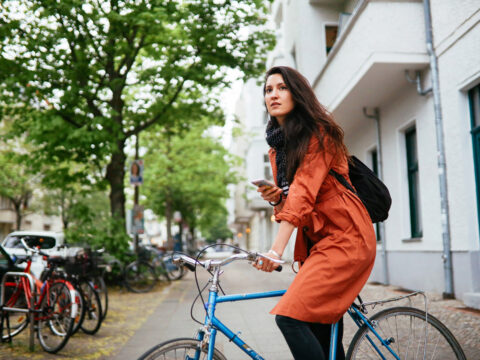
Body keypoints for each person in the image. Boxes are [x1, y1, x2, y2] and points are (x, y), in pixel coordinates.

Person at [253, 66, 376, 360]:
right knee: (321, 335)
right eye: (268, 90)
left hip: (347, 238)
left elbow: (304, 192)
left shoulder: (318, 134)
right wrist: (276, 199)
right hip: (319, 244)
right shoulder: (278, 147)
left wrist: (275, 250)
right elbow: (293, 204)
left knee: (289, 318)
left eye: (281, 87)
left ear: (297, 93)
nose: (274, 94)